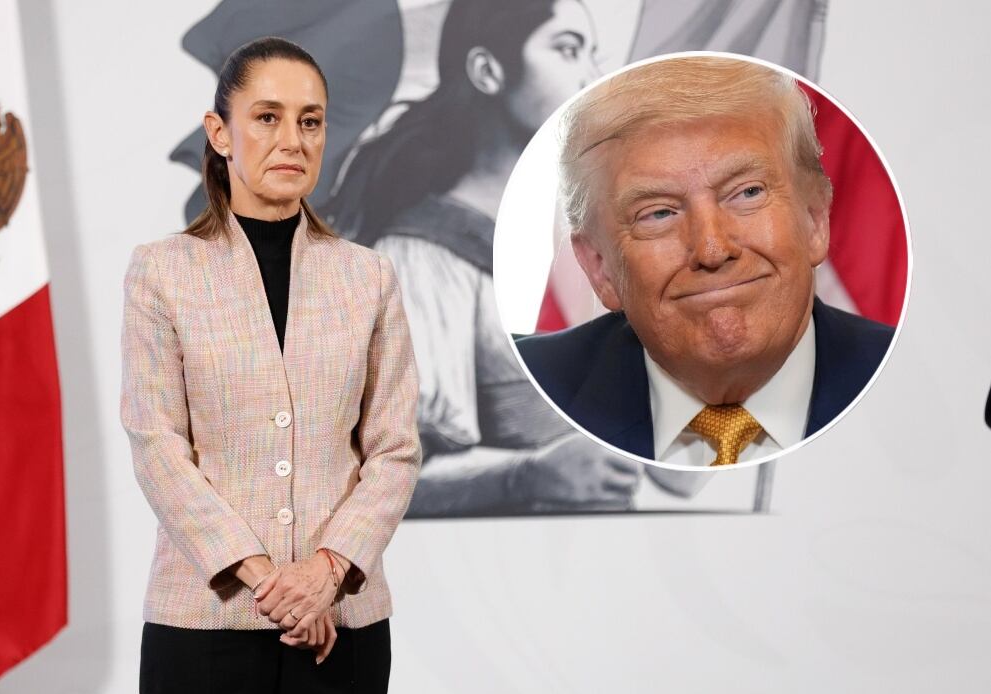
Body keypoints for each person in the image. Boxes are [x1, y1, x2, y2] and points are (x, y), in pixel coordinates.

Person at [120, 37, 420, 694]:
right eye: (267, 117)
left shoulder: (368, 277)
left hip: (341, 627)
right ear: (219, 133)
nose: (292, 140)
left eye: (309, 121)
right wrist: (268, 583)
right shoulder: (162, 272)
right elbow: (156, 445)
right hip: (203, 626)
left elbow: (393, 450)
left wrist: (323, 573)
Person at [325, 0, 652, 516]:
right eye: (567, 50)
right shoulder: (423, 258)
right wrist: (529, 476)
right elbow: (387, 474)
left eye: (593, 54)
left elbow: (675, 468)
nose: (593, 78)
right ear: (488, 70)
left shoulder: (595, 240)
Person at [516, 56, 895, 467]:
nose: (712, 251)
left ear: (815, 220)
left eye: (747, 193)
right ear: (599, 267)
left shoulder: (906, 376)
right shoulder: (520, 395)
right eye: (658, 213)